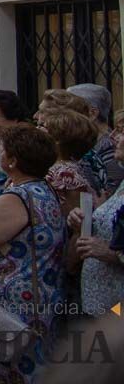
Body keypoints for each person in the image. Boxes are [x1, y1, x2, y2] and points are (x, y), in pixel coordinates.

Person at [0, 124, 65, 383]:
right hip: (41, 297)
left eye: (3, 151)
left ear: (13, 161)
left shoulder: (17, 197)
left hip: (10, 305)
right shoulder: (45, 191)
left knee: (6, 370)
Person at [67, 126, 124, 317]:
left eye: (122, 132)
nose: (113, 136)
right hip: (99, 304)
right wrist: (82, 223)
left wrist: (111, 254)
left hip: (117, 314)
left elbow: (113, 248)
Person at [37, 107, 99, 216]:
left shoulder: (65, 173)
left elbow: (74, 218)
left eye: (44, 127)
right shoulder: (55, 166)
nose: (37, 130)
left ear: (58, 140)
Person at [68, 83, 123, 192]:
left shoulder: (112, 149)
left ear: (92, 113)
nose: (64, 116)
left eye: (70, 110)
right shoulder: (86, 143)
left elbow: (112, 197)